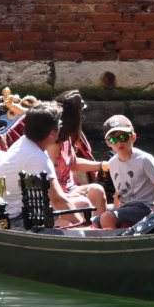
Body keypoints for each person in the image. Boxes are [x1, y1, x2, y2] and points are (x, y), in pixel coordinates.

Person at [0, 102, 84, 224]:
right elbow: (57, 200)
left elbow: (58, 198)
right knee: (70, 223)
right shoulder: (37, 158)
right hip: (14, 219)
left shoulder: (25, 142)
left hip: (22, 208)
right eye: (60, 124)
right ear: (52, 133)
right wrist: (84, 227)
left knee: (84, 203)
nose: (62, 127)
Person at [96, 115, 154, 229]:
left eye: (124, 137)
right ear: (108, 143)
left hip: (146, 206)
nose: (119, 143)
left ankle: (117, 244)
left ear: (133, 137)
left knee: (107, 217)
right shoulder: (112, 163)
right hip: (127, 208)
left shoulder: (145, 159)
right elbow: (118, 193)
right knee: (95, 221)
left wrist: (153, 215)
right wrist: (116, 210)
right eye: (113, 139)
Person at [52, 91, 109, 220]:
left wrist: (102, 166)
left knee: (97, 190)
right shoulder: (54, 144)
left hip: (70, 188)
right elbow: (49, 177)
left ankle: (101, 228)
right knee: (86, 201)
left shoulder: (67, 139)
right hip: (58, 194)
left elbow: (73, 163)